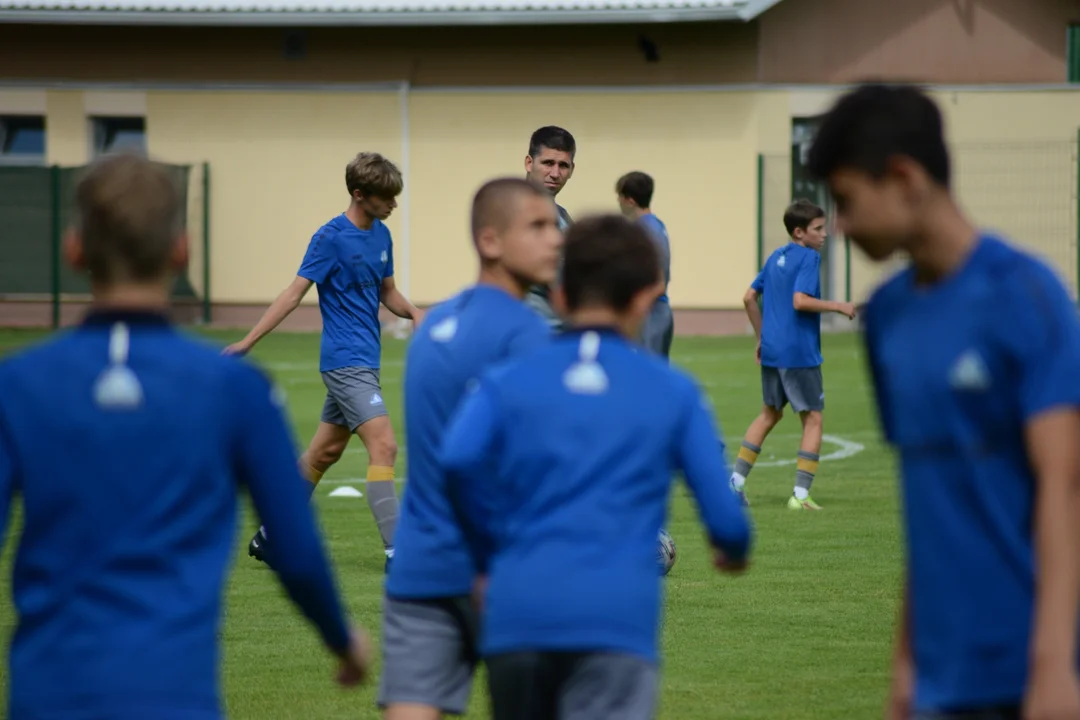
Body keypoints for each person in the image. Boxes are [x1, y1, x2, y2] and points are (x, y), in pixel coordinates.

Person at [0, 153, 369, 720]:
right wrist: (341, 639)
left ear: (74, 251)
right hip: (176, 696)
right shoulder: (237, 391)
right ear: (182, 251)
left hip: (47, 694)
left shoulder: (17, 386)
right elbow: (293, 546)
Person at [808, 83, 1080, 720]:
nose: (840, 226)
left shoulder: (1027, 295)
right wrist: (904, 670)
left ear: (905, 178)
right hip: (937, 678)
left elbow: (1064, 488)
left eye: (846, 201)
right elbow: (928, 502)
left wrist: (1053, 668)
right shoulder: (889, 319)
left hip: (1028, 673)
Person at [441, 214, 753, 720]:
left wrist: (484, 555)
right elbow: (726, 518)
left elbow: (457, 461)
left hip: (517, 620)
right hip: (614, 626)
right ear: (647, 298)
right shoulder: (671, 391)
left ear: (559, 294)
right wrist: (731, 549)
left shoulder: (507, 379)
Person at [379, 177, 563, 720]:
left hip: (419, 566)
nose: (555, 239)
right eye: (538, 227)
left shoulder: (433, 327)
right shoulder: (527, 336)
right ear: (490, 241)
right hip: (501, 571)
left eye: (555, 226)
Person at [224, 152, 424, 571]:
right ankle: (398, 552)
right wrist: (249, 340)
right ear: (359, 194)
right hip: (344, 362)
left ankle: (270, 536)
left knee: (323, 454)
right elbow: (293, 293)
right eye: (385, 198)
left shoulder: (382, 235)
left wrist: (417, 313)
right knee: (384, 445)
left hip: (366, 361)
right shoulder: (329, 238)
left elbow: (388, 292)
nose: (392, 205)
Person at [728, 199, 856, 510]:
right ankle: (800, 496)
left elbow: (748, 298)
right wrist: (838, 306)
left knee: (769, 414)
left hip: (773, 350)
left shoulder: (775, 257)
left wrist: (762, 338)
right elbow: (800, 301)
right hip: (799, 353)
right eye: (818, 229)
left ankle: (734, 484)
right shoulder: (808, 258)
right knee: (813, 418)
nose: (824, 235)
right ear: (799, 232)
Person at [616, 170, 674, 359]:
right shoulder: (656, 225)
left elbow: (657, 282)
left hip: (651, 314)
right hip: (656, 312)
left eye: (620, 197)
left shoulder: (645, 230)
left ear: (629, 200)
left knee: (647, 376)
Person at [523, 125, 576, 330]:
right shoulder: (512, 211)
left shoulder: (562, 216)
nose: (555, 173)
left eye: (563, 165)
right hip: (527, 333)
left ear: (572, 169)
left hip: (561, 335)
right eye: (548, 163)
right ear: (529, 163)